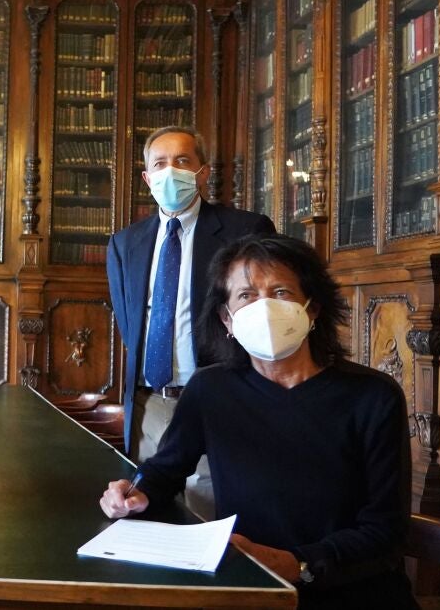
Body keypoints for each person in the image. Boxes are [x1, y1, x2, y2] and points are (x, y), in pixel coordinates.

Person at [100, 233, 416, 609]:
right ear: (226, 319)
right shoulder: (210, 389)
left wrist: (296, 564)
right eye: (246, 295)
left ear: (313, 309)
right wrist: (136, 493)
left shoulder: (373, 396)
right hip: (249, 585)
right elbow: (165, 471)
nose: (264, 307)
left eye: (281, 292)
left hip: (351, 592)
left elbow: (387, 530)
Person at [105, 126, 274, 517]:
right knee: (146, 511)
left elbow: (259, 314)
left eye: (182, 161)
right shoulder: (125, 243)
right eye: (160, 163)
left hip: (217, 402)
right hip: (149, 404)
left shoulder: (245, 231)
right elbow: (129, 323)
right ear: (147, 177)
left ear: (202, 171)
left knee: (206, 516)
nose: (171, 171)